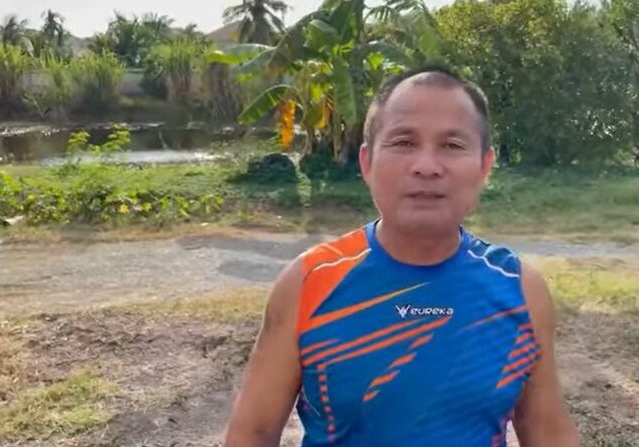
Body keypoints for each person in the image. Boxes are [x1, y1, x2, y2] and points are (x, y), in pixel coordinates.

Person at [222, 66, 580, 447]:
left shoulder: (520, 290)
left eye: (452, 145)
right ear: (366, 163)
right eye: (404, 142)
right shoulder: (309, 283)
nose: (427, 166)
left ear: (484, 167)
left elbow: (548, 431)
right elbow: (253, 433)